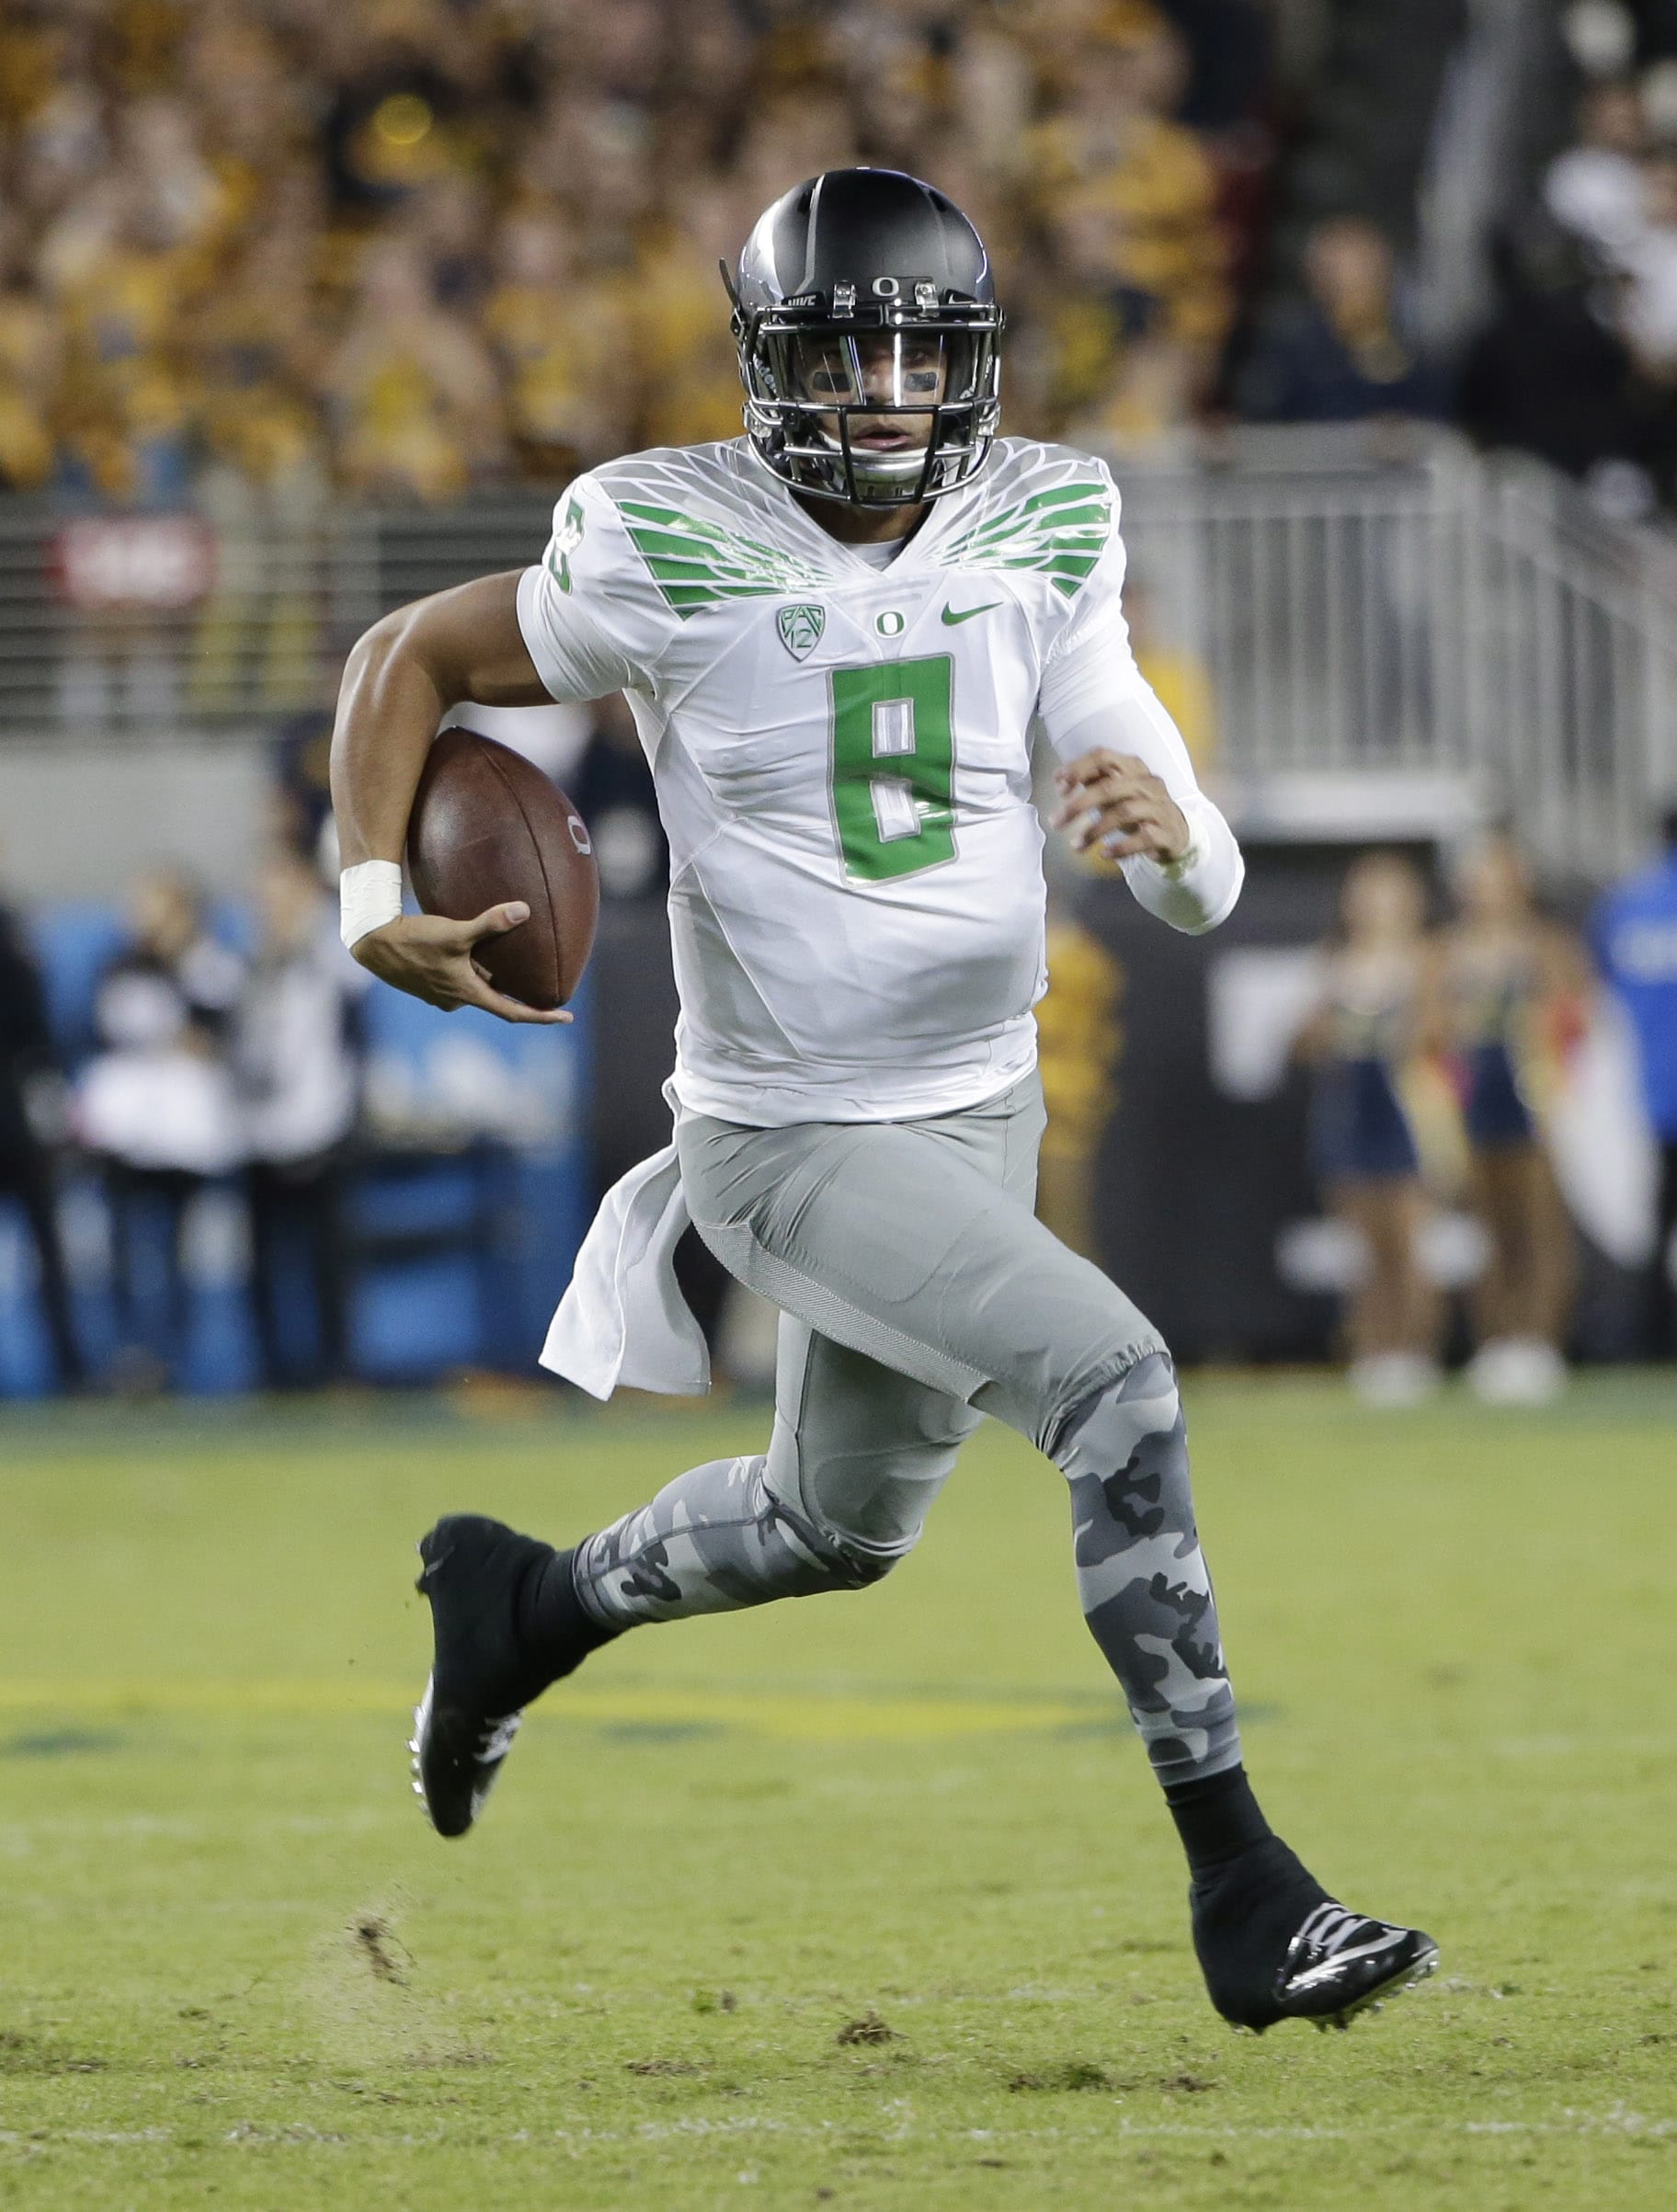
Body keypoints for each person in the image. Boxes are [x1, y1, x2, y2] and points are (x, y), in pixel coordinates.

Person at [331, 168, 1436, 2034]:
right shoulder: (660, 538)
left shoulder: (1047, 514)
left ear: (973, 359)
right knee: (1119, 1383)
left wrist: (1183, 847)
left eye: (922, 350)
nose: (886, 392)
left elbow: (1158, 811)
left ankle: (525, 1610)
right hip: (788, 1131)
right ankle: (1249, 1891)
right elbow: (406, 659)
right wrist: (374, 905)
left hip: (972, 1097)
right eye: (844, 350)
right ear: (770, 364)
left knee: (836, 1523)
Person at [76, 868, 243, 1390]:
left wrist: (177, 967)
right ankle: (132, 1355)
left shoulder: (208, 963)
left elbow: (213, 1032)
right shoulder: (120, 965)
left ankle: (174, 1359)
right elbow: (103, 1033)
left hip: (185, 1131)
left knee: (177, 1249)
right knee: (124, 1248)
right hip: (129, 1129)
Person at [1439, 834, 1588, 1404]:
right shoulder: (1449, 950)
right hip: (1472, 1102)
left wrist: (1545, 1045)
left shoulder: (1545, 945)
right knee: (1488, 1225)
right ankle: (1498, 1339)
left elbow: (1578, 1016)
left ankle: (1540, 1340)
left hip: (1536, 1102)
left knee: (1538, 1225)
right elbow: (1429, 1028)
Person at [1295, 852, 1439, 1406]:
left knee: (1407, 1236)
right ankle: (1375, 1349)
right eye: (1365, 893)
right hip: (1351, 1105)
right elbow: (1305, 1039)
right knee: (1364, 1240)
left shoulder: (1426, 959)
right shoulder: (1336, 962)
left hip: (1404, 1107)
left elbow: (1437, 1033)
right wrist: (1331, 1026)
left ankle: (1415, 1348)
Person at [232, 849, 367, 1391]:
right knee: (262, 1262)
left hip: (321, 1125)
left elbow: (354, 1025)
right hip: (259, 1130)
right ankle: (272, 1372)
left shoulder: (333, 959)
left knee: (327, 1259)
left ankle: (337, 1369)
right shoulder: (245, 964)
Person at [1592, 804, 1677, 1358]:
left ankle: (1646, 1346)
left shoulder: (1626, 906)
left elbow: (1602, 981)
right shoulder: (1627, 906)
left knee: (1657, 1223)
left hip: (1658, 1093)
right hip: (1660, 1091)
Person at [0, 893, 84, 1390]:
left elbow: (38, 1044)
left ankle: (70, 1364)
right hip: (20, 1117)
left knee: (48, 1252)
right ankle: (70, 1366)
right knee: (46, 1250)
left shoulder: (16, 954)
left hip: (18, 1120)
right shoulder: (19, 954)